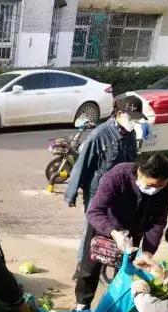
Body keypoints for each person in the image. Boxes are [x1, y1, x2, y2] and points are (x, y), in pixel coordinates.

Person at [74, 153, 168, 311]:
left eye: (159, 187)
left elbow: (158, 222)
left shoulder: (167, 187)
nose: (154, 190)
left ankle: (114, 309)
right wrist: (114, 233)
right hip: (105, 226)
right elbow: (94, 211)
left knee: (125, 272)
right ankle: (82, 305)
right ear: (139, 171)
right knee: (89, 270)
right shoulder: (118, 175)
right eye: (150, 185)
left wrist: (148, 252)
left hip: (134, 232)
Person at [65, 95, 145, 277]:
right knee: (92, 230)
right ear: (119, 113)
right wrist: (71, 193)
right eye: (131, 117)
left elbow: (132, 164)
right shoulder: (99, 135)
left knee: (116, 229)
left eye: (136, 118)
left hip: (120, 194)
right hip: (97, 193)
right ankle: (83, 267)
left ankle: (106, 263)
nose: (134, 122)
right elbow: (82, 165)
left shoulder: (130, 134)